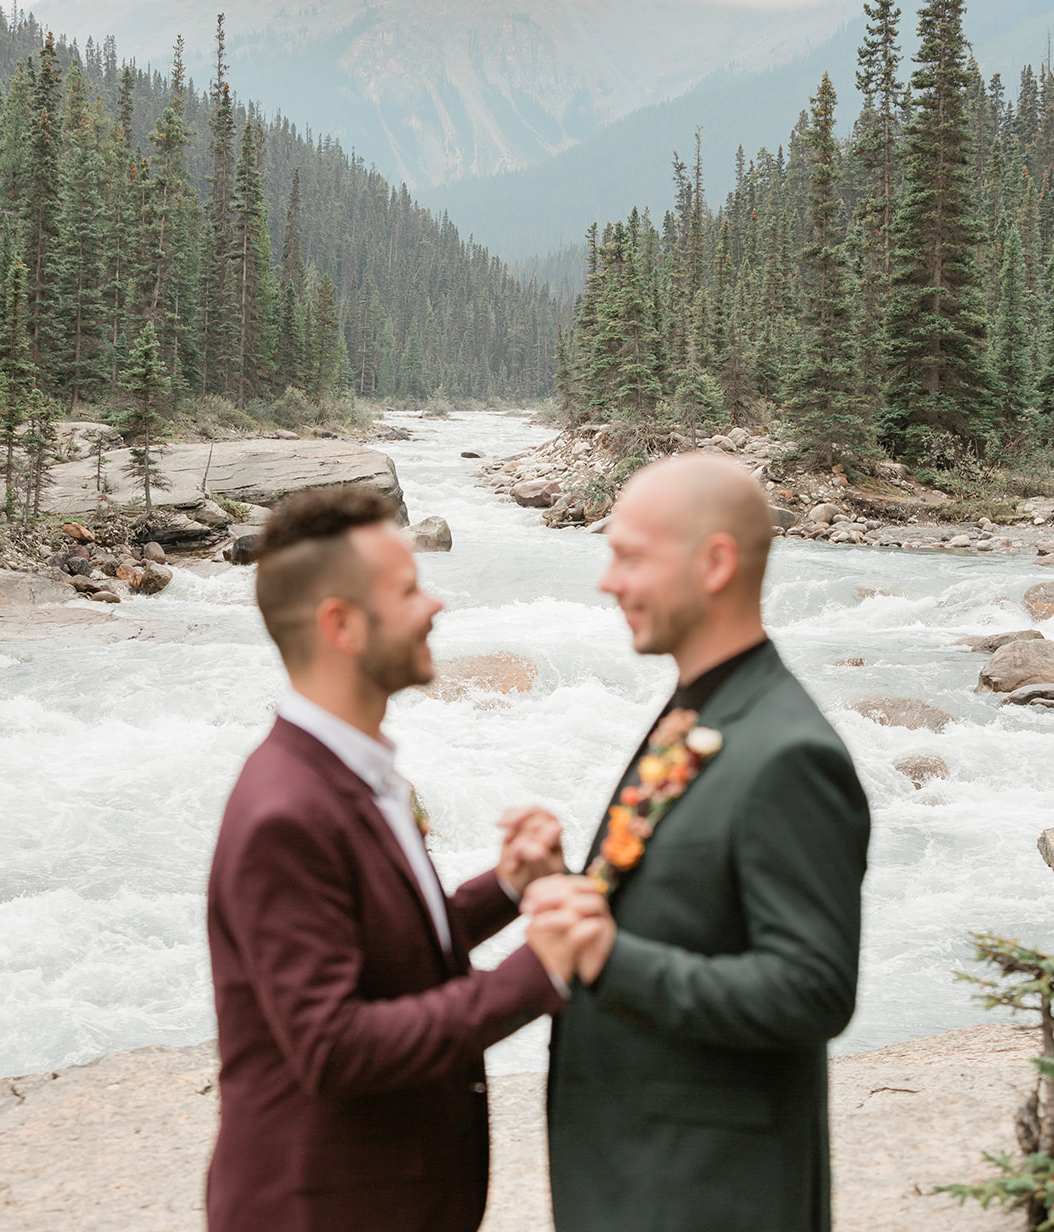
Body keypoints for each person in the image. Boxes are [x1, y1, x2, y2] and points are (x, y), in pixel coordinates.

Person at [522, 452, 870, 1232]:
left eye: (628, 555)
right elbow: (682, 900)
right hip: (640, 1175)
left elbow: (813, 989)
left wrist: (610, 959)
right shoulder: (704, 708)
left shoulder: (789, 755)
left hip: (712, 1195)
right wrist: (572, 885)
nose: (607, 581)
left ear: (714, 563)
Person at [206, 485, 566, 1232]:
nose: (433, 606)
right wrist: (542, 969)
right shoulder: (287, 812)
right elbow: (332, 1046)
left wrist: (507, 888)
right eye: (407, 590)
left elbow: (380, 945)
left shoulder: (350, 771)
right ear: (341, 625)